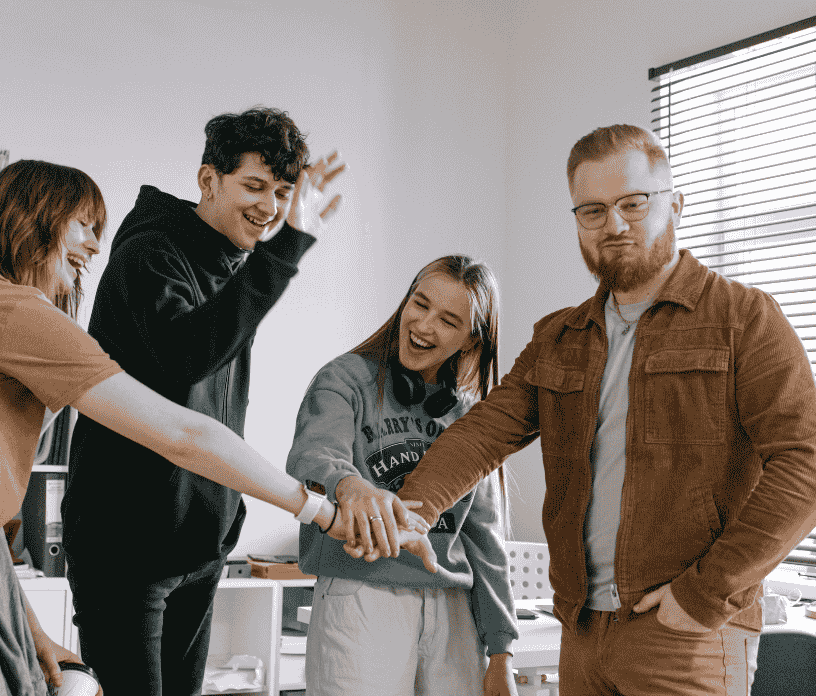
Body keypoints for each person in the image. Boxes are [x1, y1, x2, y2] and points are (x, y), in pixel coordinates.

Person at [0, 159, 430, 696]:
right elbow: (183, 435)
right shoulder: (7, 308)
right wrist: (318, 511)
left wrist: (29, 634)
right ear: (35, 217)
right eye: (82, 223)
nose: (91, 244)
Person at [385, 125, 816, 695]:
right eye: (592, 211)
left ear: (674, 205)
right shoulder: (560, 337)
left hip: (687, 634)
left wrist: (706, 593)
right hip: (582, 630)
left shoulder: (744, 318)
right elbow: (484, 433)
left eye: (632, 205)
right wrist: (411, 509)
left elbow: (805, 463)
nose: (613, 225)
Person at [62, 106, 360, 696]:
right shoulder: (149, 253)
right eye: (253, 185)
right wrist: (289, 248)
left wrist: (224, 524)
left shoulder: (230, 261)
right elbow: (186, 358)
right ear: (208, 181)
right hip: (127, 549)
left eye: (280, 192)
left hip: (198, 545)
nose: (270, 208)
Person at [286, 255, 520, 696]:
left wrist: (501, 651)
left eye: (448, 320)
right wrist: (350, 486)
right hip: (363, 595)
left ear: (471, 341)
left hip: (453, 608)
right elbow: (314, 454)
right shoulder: (346, 378)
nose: (424, 325)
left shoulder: (469, 416)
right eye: (420, 303)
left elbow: (485, 540)